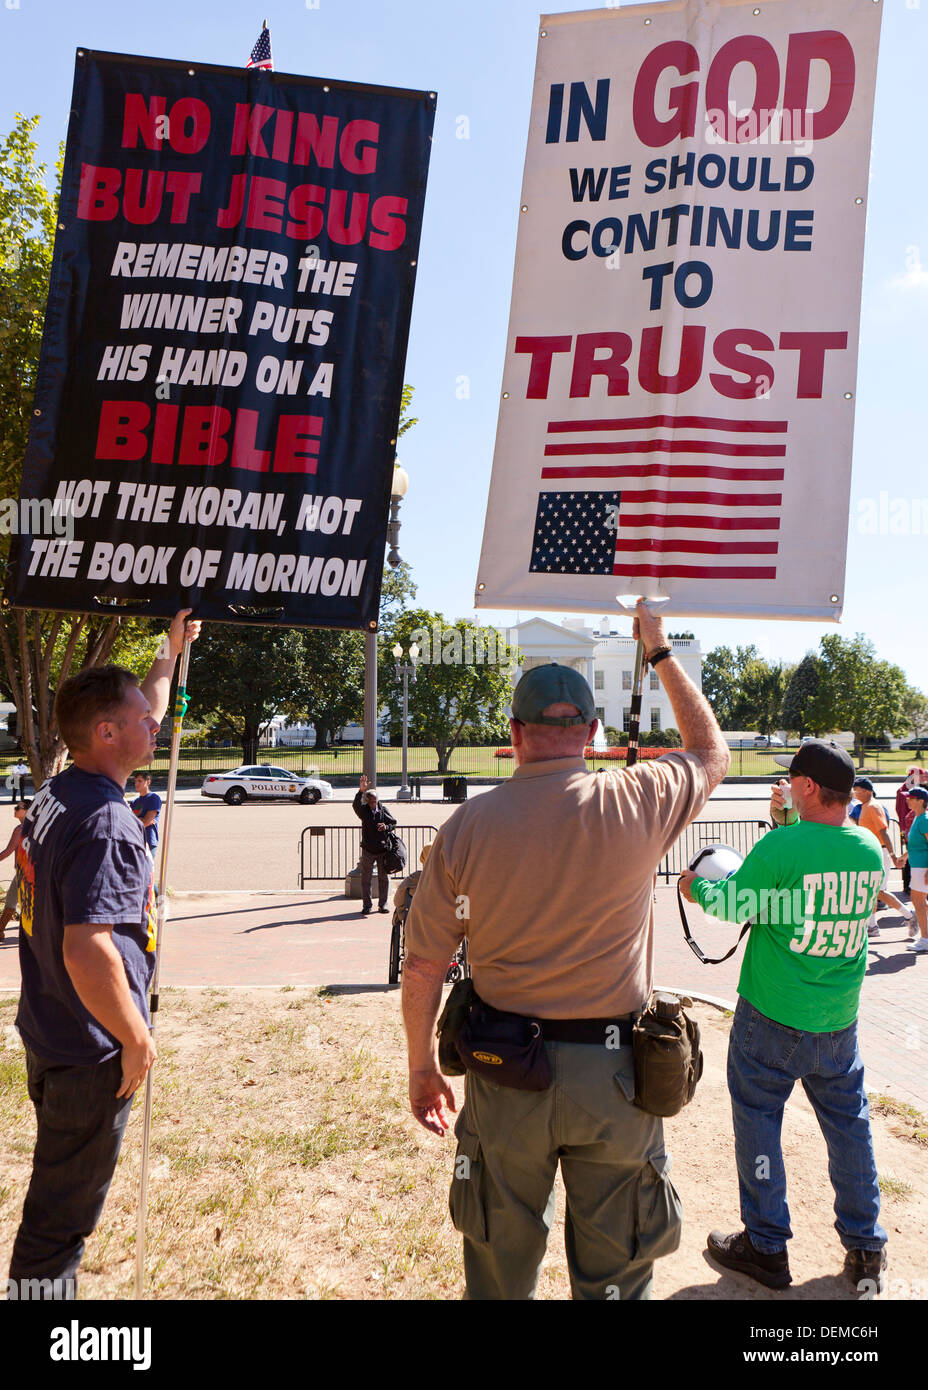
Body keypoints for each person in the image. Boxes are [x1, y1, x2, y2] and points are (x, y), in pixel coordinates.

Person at [401, 600, 729, 1300]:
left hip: (503, 1070)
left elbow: (426, 964)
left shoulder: (465, 829)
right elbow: (710, 753)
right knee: (615, 1278)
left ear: (514, 733)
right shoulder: (640, 799)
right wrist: (660, 651)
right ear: (589, 730)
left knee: (496, 1266)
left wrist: (422, 1067)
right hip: (614, 1080)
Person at [8, 610, 199, 1300]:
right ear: (106, 733)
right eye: (142, 718)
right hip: (90, 1050)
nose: (158, 722)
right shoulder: (109, 821)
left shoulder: (57, 792)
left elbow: (139, 701)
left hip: (50, 1028)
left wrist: (168, 652)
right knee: (59, 1221)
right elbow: (88, 950)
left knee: (56, 1193)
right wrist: (136, 1036)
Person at [680, 739, 888, 1295]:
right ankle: (866, 1245)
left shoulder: (786, 847)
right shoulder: (869, 848)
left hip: (772, 1016)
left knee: (758, 1120)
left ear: (810, 787)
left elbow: (734, 904)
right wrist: (782, 823)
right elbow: (807, 892)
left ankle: (767, 1246)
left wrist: (694, 886)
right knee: (850, 1127)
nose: (785, 786)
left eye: (791, 780)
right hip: (838, 1018)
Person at [851, 776, 916, 939]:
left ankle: (909, 915)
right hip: (873, 853)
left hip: (880, 852)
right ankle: (872, 926)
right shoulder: (865, 806)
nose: (855, 793)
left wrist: (893, 856)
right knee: (871, 890)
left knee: (878, 891)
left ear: (866, 791)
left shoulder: (873, 806)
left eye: (857, 790)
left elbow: (883, 832)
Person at [352, 774, 397, 915]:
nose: (373, 805)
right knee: (366, 879)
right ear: (367, 801)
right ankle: (367, 905)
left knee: (384, 878)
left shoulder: (383, 810)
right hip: (368, 850)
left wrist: (386, 827)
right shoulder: (364, 811)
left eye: (375, 802)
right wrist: (361, 791)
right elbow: (355, 805)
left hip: (382, 849)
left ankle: (383, 905)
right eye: (371, 802)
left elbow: (393, 823)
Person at [898, 785, 928, 954]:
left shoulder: (924, 819)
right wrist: (905, 856)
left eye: (911, 798)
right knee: (920, 903)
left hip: (922, 867)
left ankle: (925, 940)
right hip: (918, 866)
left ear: (921, 801)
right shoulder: (918, 817)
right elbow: (917, 845)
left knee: (918, 903)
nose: (907, 800)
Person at [896, 768, 928, 894]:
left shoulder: (923, 818)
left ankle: (907, 886)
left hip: (922, 864)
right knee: (918, 899)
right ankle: (907, 886)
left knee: (919, 899)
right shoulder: (908, 791)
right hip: (909, 829)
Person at [0, 801, 29, 941]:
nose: (15, 809)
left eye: (18, 808)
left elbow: (7, 851)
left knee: (11, 902)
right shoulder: (38, 827)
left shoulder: (20, 829)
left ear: (28, 810)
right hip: (36, 871)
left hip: (23, 872)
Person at [130, 770, 162, 858]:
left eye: (140, 781)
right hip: (135, 840)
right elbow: (129, 823)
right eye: (135, 781)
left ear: (148, 782)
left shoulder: (153, 798)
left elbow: (145, 822)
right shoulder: (134, 802)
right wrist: (142, 820)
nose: (136, 783)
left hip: (148, 840)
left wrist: (136, 820)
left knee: (146, 871)